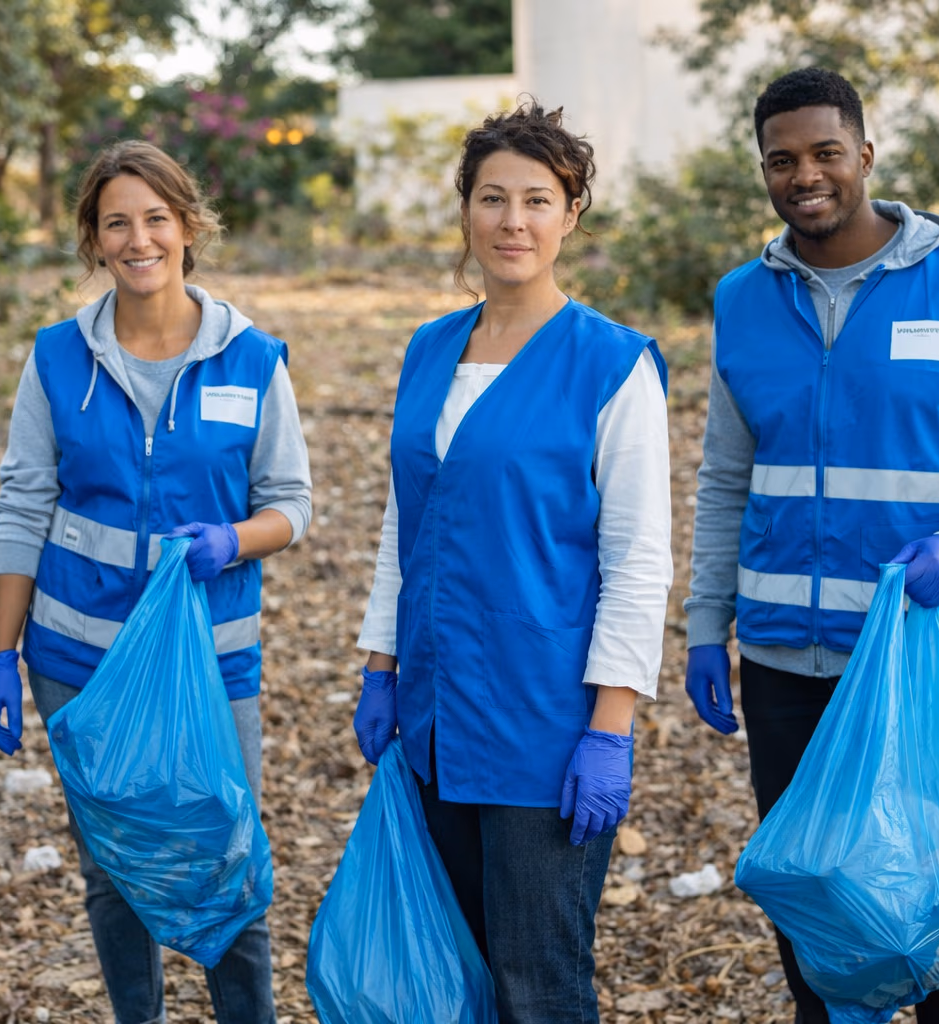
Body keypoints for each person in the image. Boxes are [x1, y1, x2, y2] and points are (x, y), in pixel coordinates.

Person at [683, 67, 939, 1022]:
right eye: (782, 160)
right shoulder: (743, 299)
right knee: (816, 919)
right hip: (781, 657)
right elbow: (727, 476)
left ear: (864, 154)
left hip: (914, 655)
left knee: (936, 924)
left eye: (825, 152)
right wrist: (703, 626)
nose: (805, 175)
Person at [352, 101, 673, 1023]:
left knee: (539, 984)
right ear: (466, 211)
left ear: (571, 214)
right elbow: (405, 522)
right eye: (492, 198)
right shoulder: (429, 350)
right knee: (457, 974)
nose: (513, 221)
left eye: (538, 200)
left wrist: (610, 730)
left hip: (547, 719)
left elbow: (638, 559)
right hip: (435, 710)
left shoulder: (613, 365)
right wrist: (380, 666)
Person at [0, 139, 311, 1024]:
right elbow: (23, 506)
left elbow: (292, 503)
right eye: (116, 222)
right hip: (80, 661)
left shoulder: (252, 358)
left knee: (227, 862)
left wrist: (233, 541)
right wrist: (0, 655)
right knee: (114, 871)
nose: (139, 240)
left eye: (156, 219)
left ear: (188, 227)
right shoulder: (58, 358)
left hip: (210, 664)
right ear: (93, 238)